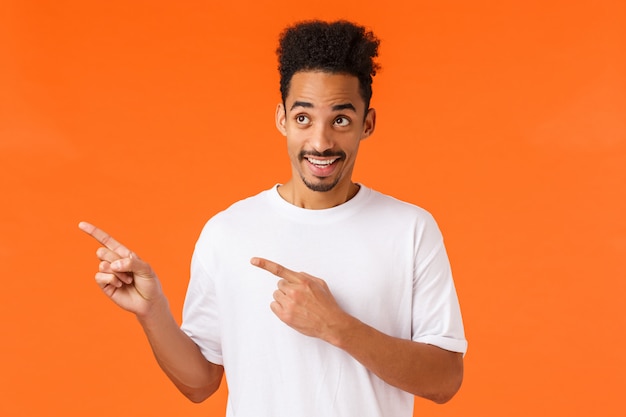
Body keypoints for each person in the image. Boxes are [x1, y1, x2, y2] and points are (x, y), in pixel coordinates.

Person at [79, 20, 467, 417]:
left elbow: (445, 380)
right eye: (303, 118)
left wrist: (337, 327)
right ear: (282, 119)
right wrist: (153, 311)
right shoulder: (227, 232)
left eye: (341, 119)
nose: (320, 141)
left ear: (366, 124)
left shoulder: (410, 229)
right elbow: (200, 384)